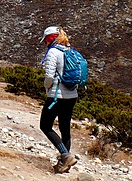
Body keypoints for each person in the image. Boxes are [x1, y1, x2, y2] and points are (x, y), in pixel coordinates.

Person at [39, 26, 79, 174]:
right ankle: (64, 162)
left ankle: (66, 156)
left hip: (56, 96)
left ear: (50, 39)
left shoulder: (53, 52)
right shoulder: (71, 51)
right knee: (65, 127)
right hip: (72, 96)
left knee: (45, 125)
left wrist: (47, 89)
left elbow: (49, 76)